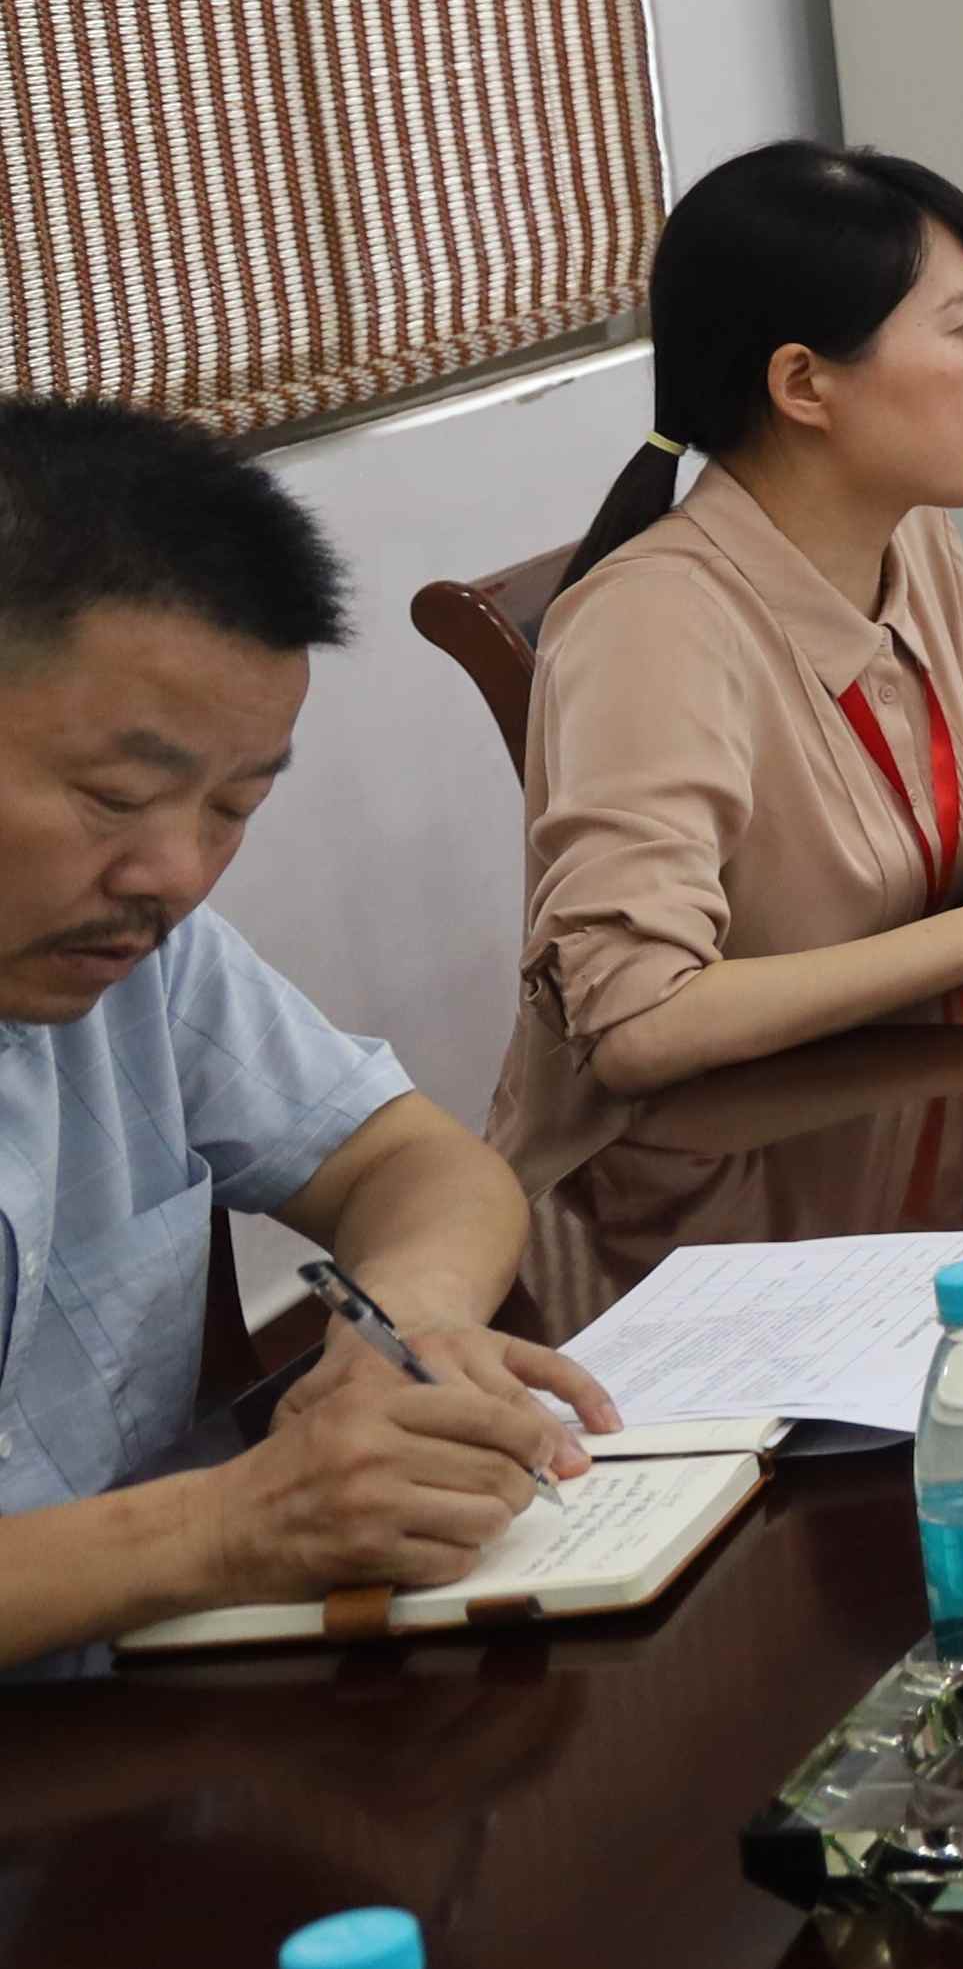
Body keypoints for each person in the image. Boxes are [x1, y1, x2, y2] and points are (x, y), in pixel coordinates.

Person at [0, 403, 611, 1672]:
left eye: (232, 806)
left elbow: (414, 1161)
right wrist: (232, 1523)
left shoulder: (132, 959)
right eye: (115, 796)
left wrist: (407, 1328)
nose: (177, 873)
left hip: (153, 1710)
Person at [491, 147, 963, 1180]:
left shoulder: (909, 534)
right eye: (960, 326)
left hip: (905, 1113)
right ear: (803, 383)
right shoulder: (655, 622)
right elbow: (639, 1016)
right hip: (696, 1195)